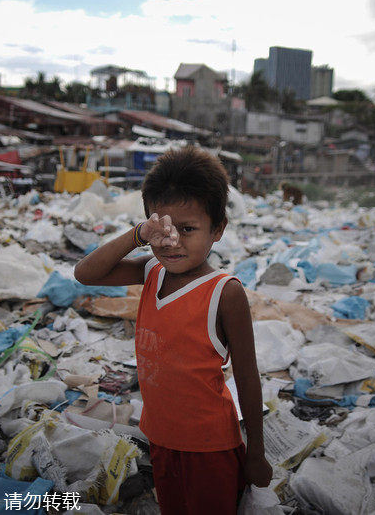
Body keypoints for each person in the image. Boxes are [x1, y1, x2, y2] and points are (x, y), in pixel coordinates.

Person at [74, 146, 273, 514]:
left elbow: (247, 376)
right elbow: (85, 273)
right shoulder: (151, 270)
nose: (171, 241)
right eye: (162, 229)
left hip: (210, 448)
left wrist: (256, 454)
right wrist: (138, 234)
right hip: (161, 437)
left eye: (187, 229)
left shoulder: (224, 293)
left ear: (217, 229)